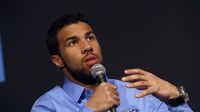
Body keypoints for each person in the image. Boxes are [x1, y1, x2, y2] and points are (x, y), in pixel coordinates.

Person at [31, 13, 193, 112]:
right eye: (73, 42)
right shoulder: (48, 106)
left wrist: (175, 96)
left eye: (90, 37)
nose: (87, 46)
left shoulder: (134, 92)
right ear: (57, 60)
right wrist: (90, 109)